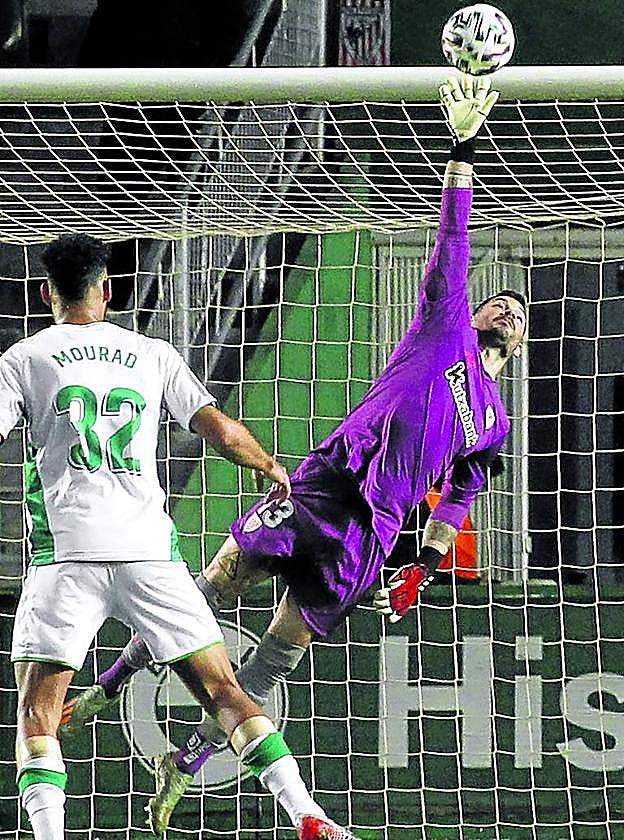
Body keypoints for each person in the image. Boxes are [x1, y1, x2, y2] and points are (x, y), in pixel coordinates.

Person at [62, 75, 526, 833]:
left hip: (370, 536)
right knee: (210, 586)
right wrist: (463, 148)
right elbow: (453, 237)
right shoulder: (442, 331)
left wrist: (424, 569)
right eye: (496, 300)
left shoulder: (495, 422)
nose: (506, 306)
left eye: (517, 313)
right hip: (322, 486)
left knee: (275, 660)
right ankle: (110, 683)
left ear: (518, 348)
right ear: (470, 311)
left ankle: (187, 764)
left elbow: (463, 498)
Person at [2, 233, 357, 840]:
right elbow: (216, 428)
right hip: (148, 555)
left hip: (67, 557)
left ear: (45, 293)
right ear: (107, 290)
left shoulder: (23, 360)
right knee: (223, 688)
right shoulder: (153, 352)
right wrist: (269, 465)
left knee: (38, 711)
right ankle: (309, 815)